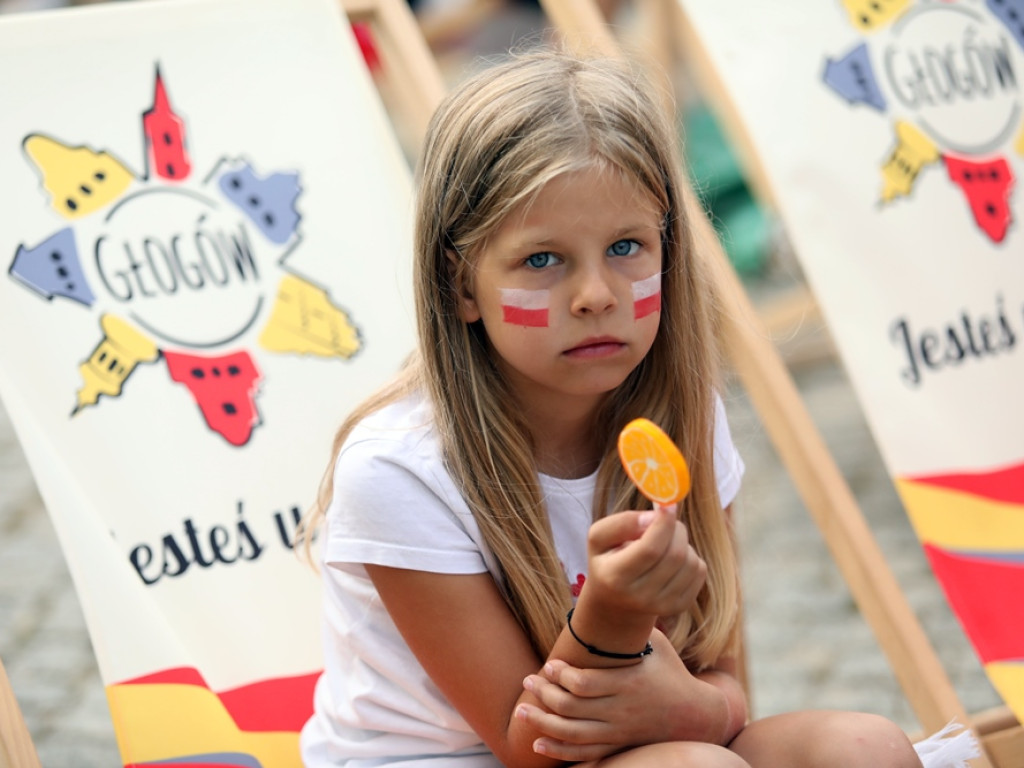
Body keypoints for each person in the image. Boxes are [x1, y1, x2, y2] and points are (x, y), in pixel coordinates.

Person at [298, 48, 924, 768]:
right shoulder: (398, 471)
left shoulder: (681, 418)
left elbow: (721, 688)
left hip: (640, 743)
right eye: (542, 260)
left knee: (865, 746)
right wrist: (616, 612)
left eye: (626, 246)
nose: (596, 294)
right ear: (462, 285)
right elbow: (528, 744)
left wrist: (695, 704)